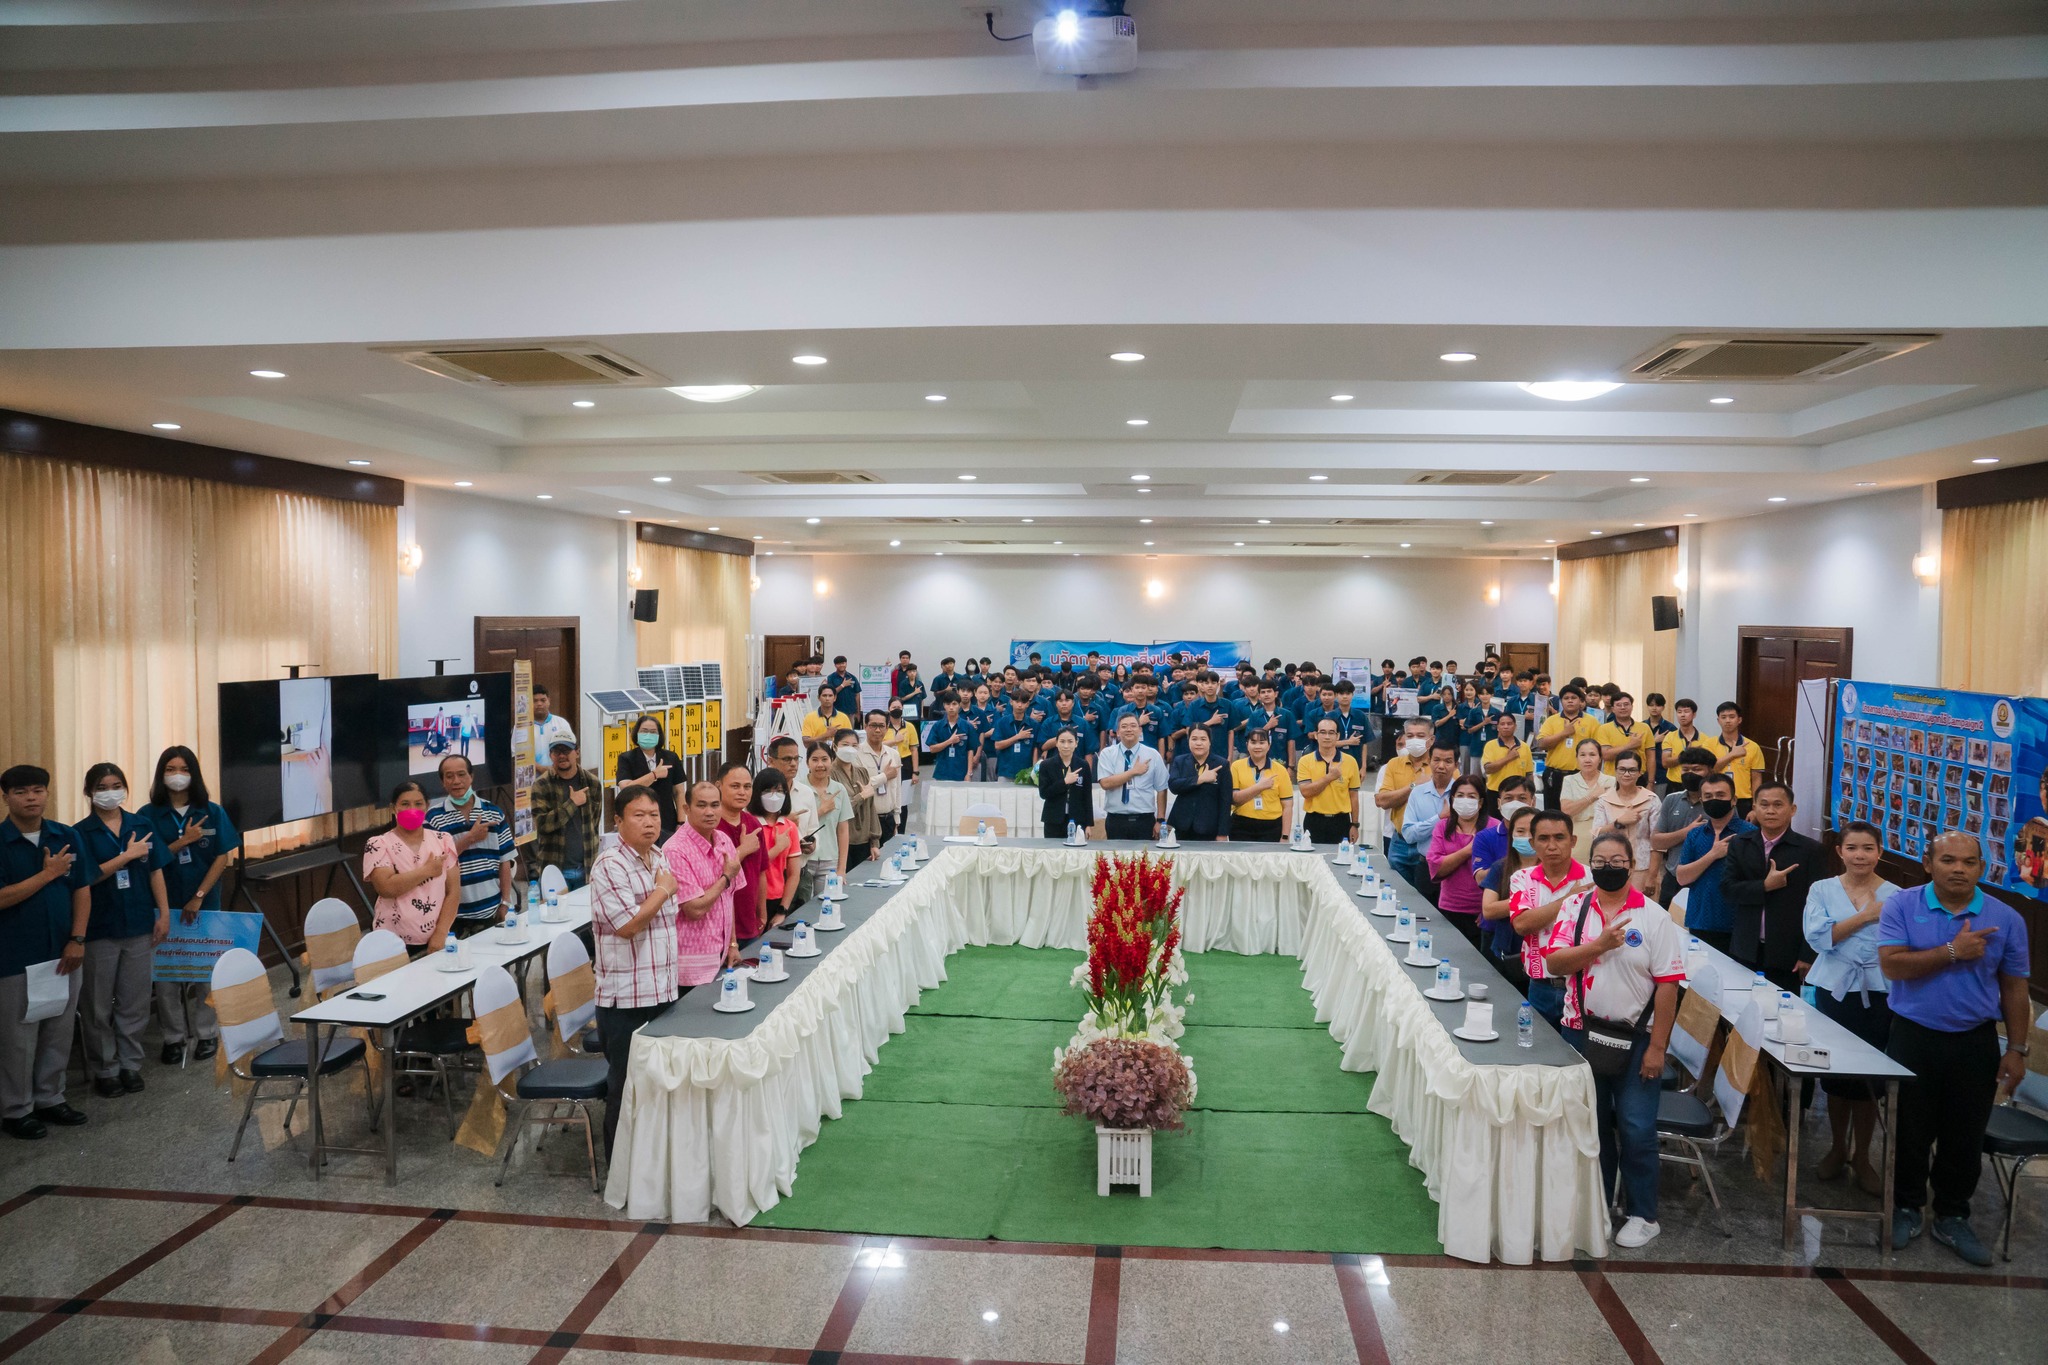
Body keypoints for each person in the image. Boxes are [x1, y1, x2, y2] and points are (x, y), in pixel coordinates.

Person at [1879, 832, 2032, 1266]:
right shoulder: (1902, 905)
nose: (1959, 869)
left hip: (1975, 1041)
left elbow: (2015, 989)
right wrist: (1951, 950)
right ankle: (1906, 1208)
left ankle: (1952, 1216)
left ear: (1982, 868)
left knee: (1964, 1135)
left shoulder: (2006, 918)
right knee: (1908, 1129)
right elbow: (1892, 965)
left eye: (1969, 862)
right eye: (1948, 860)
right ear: (1929, 864)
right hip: (1912, 1034)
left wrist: (2017, 1048)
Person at [1539, 829, 1684, 1249]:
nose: (1608, 868)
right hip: (1581, 1031)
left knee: (1637, 1127)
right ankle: (1598, 1204)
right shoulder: (1575, 907)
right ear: (1591, 864)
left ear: (1631, 864)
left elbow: (1668, 986)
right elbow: (1554, 961)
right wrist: (1598, 945)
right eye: (1600, 861)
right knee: (1593, 1124)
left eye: (1617, 862)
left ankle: (1644, 1214)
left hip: (1637, 1039)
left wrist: (1658, 1047)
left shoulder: (1653, 916)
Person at [1801, 821, 1896, 1196]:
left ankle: (1863, 1155)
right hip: (1833, 990)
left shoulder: (1897, 894)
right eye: (1852, 848)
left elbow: (1897, 944)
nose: (1860, 855)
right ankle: (1838, 1147)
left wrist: (1846, 926)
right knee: (1837, 1075)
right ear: (1839, 851)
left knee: (1870, 1079)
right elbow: (1819, 937)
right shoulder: (1821, 889)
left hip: (1880, 993)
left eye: (1868, 848)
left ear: (1879, 852)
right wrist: (1867, 916)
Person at [0, 766, 94, 1139]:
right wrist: (48, 874)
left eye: (38, 790)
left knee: (58, 1029)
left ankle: (51, 1098)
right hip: (15, 957)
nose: (32, 798)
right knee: (19, 1038)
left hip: (64, 952)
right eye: (21, 792)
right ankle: (16, 1108)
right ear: (6, 796)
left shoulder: (65, 835)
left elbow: (83, 890)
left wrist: (78, 939)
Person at [589, 785, 682, 1160]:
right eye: (638, 815)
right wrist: (661, 892)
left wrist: (660, 890)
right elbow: (627, 925)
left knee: (657, 1083)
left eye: (654, 815)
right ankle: (620, 1167)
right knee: (625, 1085)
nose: (649, 823)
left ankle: (653, 1161)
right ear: (618, 821)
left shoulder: (658, 856)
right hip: (625, 999)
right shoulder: (610, 865)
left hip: (661, 991)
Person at [73, 764, 168, 1098]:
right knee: (98, 1005)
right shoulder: (80, 833)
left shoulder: (141, 824)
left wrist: (164, 913)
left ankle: (130, 1064)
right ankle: (106, 1069)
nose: (110, 792)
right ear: (89, 793)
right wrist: (126, 856)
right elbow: (85, 877)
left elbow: (155, 871)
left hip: (140, 923)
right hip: (100, 928)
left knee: (135, 1001)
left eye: (116, 785)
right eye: (102, 786)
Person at [140, 746, 238, 1064]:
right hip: (162, 906)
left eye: (183, 769)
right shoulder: (147, 815)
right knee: (166, 975)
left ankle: (207, 1034)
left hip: (204, 904)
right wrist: (182, 841)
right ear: (161, 774)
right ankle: (173, 1038)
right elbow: (149, 861)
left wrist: (198, 897)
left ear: (193, 774)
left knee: (205, 972)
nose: (177, 775)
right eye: (170, 769)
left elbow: (222, 856)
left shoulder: (211, 811)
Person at [1722, 778, 1827, 989]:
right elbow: (1728, 890)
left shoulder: (1810, 851)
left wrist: (1808, 954)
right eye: (1764, 805)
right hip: (1745, 948)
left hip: (1787, 954)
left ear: (1793, 809)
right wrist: (1764, 886)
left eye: (1778, 805)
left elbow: (1820, 907)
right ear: (1754, 808)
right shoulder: (1740, 844)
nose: (1770, 811)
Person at [1504, 808, 1592, 1031]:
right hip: (1539, 985)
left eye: (1559, 837)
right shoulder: (1521, 878)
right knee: (1536, 1054)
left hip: (1581, 986)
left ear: (1572, 841)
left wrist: (1542, 913)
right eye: (1543, 838)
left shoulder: (1592, 878)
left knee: (1576, 1057)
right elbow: (1522, 925)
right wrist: (1569, 899)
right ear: (1532, 843)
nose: (1552, 846)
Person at [363, 781, 462, 954]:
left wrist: (440, 933)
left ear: (427, 806)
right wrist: (427, 871)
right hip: (391, 943)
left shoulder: (443, 840)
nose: (412, 809)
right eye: (405, 804)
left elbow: (453, 891)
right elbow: (386, 887)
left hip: (436, 940)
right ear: (393, 808)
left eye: (418, 804)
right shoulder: (379, 844)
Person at [665, 781, 744, 995]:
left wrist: (733, 944)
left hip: (721, 955)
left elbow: (730, 897)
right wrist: (726, 876)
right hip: (690, 965)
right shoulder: (675, 850)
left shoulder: (724, 840)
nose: (709, 812)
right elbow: (694, 910)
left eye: (715, 805)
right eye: (701, 805)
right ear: (686, 809)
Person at [426, 755, 515, 938]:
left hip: (491, 911)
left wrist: (505, 902)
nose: (456, 781)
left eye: (461, 774)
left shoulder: (494, 813)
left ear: (471, 777)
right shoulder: (432, 819)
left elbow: (505, 861)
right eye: (449, 776)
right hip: (453, 917)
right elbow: (434, 866)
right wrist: (469, 838)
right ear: (443, 782)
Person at [1672, 772, 1753, 955]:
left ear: (1734, 800)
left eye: (1720, 795)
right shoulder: (1696, 834)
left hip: (1737, 924)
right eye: (1708, 796)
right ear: (1701, 800)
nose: (1714, 800)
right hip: (1700, 921)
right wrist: (1712, 855)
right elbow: (1682, 878)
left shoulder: (1750, 833)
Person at [1426, 776, 1496, 947]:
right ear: (1452, 800)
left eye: (1471, 796)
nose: (1466, 801)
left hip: (1483, 912)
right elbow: (1436, 867)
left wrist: (1488, 910)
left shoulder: (1494, 828)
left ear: (1480, 803)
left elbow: (1503, 872)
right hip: (1450, 908)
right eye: (1460, 795)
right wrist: (1468, 850)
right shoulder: (1443, 827)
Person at [1477, 803, 1539, 991]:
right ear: (1511, 835)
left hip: (1540, 955)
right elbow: (1489, 910)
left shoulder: (1552, 871)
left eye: (1532, 831)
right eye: (1520, 831)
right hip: (1507, 952)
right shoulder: (1500, 868)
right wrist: (1533, 899)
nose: (1526, 837)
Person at [530, 739, 601, 891]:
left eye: (566, 751)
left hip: (587, 867)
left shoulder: (592, 782)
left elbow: (595, 822)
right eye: (557, 752)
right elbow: (542, 825)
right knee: (555, 914)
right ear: (550, 755)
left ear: (577, 752)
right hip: (554, 870)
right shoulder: (541, 785)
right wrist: (572, 803)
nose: (562, 756)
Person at [1649, 746, 1716, 903]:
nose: (1690, 774)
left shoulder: (1720, 802)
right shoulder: (1671, 800)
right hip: (1673, 878)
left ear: (1710, 771)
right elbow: (1657, 841)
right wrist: (1687, 832)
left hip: (1707, 880)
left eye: (1696, 769)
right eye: (1685, 769)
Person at [711, 762, 768, 940]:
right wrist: (742, 851)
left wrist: (762, 913)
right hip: (719, 928)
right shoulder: (710, 826)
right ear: (718, 786)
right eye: (735, 786)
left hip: (750, 922)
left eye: (747, 787)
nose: (742, 792)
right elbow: (711, 873)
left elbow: (761, 872)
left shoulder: (754, 824)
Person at [1396, 741, 1460, 898]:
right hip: (1426, 868)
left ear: (1456, 764)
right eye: (1436, 760)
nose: (1441, 766)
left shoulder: (1464, 794)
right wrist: (1439, 818)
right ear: (1429, 761)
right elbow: (1409, 835)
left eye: (1448, 761)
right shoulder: (1417, 793)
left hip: (1457, 870)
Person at [1595, 753, 1660, 892]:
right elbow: (1597, 834)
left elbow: (1658, 843)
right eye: (1622, 769)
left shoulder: (1651, 800)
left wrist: (1652, 876)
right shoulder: (1604, 800)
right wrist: (1618, 822)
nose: (1626, 774)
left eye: (1632, 770)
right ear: (1615, 771)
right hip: (1612, 866)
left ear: (1639, 773)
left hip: (1642, 867)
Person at [1098, 713, 1168, 841]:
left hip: (1144, 820)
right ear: (1118, 732)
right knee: (1116, 859)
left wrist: (1160, 820)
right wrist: (1133, 772)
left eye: (1133, 726)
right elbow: (1105, 783)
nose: (1129, 729)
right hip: (1116, 819)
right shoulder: (1107, 754)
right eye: (1124, 726)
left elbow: (1162, 789)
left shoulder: (1152, 754)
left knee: (1144, 860)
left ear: (1140, 730)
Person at [748, 767, 804, 927]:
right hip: (752, 899)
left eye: (779, 791)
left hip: (778, 899)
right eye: (768, 791)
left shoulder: (789, 827)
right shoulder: (750, 824)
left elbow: (794, 874)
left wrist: (782, 910)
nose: (774, 796)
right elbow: (753, 866)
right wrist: (778, 848)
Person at [616, 714, 684, 843]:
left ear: (659, 735)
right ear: (636, 733)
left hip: (667, 821)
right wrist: (654, 775)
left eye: (653, 732)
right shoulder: (626, 758)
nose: (648, 735)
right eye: (644, 731)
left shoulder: (671, 757)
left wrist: (681, 821)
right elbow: (626, 788)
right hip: (638, 821)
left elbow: (679, 792)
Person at [1298, 717, 1365, 848]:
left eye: (1331, 732)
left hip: (1341, 821)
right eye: (1322, 732)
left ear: (1338, 736)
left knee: (1341, 862)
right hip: (1314, 820)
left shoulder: (1350, 761)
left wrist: (1355, 824)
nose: (1327, 737)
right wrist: (1329, 777)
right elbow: (1306, 792)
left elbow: (1353, 796)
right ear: (1316, 735)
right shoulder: (1305, 761)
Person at [1374, 717, 1433, 863]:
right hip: (1399, 842)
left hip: (1430, 843)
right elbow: (1382, 801)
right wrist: (1414, 786)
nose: (1414, 740)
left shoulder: (1441, 765)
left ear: (1431, 740)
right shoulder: (1393, 764)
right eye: (1410, 736)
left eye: (1420, 736)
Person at [1535, 685, 1598, 810]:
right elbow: (1541, 743)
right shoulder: (1551, 721)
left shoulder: (1592, 722)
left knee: (1579, 813)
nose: (1570, 700)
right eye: (1566, 698)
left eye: (1574, 698)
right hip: (1555, 775)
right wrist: (1564, 733)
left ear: (1581, 701)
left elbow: (1597, 750)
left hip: (1581, 775)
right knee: (1553, 814)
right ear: (1561, 701)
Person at [1166, 726, 1232, 842]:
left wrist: (1223, 832)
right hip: (1181, 825)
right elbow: (1174, 786)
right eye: (1194, 739)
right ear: (1188, 741)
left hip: (1209, 826)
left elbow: (1225, 801)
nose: (1198, 743)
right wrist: (1199, 779)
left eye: (1203, 739)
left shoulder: (1222, 764)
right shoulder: (1179, 761)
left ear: (1210, 742)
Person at [829, 728, 882, 871]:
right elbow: (837, 811)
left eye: (854, 746)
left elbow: (871, 807)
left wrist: (874, 842)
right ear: (835, 747)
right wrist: (860, 797)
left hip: (864, 840)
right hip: (842, 841)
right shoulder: (830, 774)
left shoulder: (861, 772)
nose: (850, 750)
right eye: (845, 745)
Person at [799, 741, 850, 888]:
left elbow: (843, 831)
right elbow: (795, 825)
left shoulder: (839, 790)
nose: (820, 764)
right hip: (803, 861)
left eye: (824, 759)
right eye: (814, 760)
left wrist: (842, 868)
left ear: (832, 761)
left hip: (830, 862)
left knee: (827, 906)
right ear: (807, 763)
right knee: (803, 908)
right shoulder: (798, 789)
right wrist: (821, 811)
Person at [1228, 727, 1293, 842]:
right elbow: (1234, 798)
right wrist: (1260, 787)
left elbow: (1287, 805)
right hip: (1241, 825)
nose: (1257, 746)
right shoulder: (1236, 766)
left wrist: (1285, 836)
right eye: (1253, 742)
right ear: (1247, 745)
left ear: (1268, 745)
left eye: (1262, 742)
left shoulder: (1280, 770)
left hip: (1272, 826)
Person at [1704, 701, 1766, 814]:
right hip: (1716, 797)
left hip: (1743, 801)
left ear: (1739, 720)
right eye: (1723, 717)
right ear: (1718, 720)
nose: (1728, 721)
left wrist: (1756, 806)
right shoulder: (1709, 744)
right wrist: (1732, 754)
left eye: (1732, 717)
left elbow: (1756, 779)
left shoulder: (1752, 746)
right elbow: (1709, 771)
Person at [1559, 738, 1615, 860]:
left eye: (1592, 755)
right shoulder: (1569, 780)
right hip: (1577, 833)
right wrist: (1593, 796)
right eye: (1582, 755)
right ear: (1577, 758)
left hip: (1605, 833)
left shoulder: (1611, 781)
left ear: (1600, 758)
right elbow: (1566, 810)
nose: (1587, 759)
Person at [1038, 728, 1095, 838]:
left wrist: (1088, 824)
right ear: (1056, 743)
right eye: (1062, 741)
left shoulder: (1083, 765)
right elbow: (1044, 793)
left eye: (1070, 741)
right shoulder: (1046, 765)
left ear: (1076, 744)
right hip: (1053, 820)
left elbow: (1087, 796)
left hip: (1077, 819)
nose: (1066, 746)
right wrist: (1064, 782)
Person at [858, 711, 904, 843]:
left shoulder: (893, 754)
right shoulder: (857, 753)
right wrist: (884, 776)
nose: (877, 730)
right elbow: (861, 787)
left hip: (888, 819)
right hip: (867, 820)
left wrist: (897, 817)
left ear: (887, 727)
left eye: (881, 726)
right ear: (865, 726)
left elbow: (897, 789)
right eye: (873, 725)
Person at [921, 691, 977, 782]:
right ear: (944, 705)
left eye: (954, 704)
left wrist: (969, 773)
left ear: (959, 705)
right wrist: (949, 741)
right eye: (948, 704)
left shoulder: (967, 726)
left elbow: (970, 751)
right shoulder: (937, 726)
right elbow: (932, 749)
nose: (951, 707)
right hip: (942, 773)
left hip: (961, 773)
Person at [1594, 691, 1651, 778]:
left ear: (1632, 707)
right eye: (1619, 705)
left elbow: (1651, 757)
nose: (1623, 707)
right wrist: (1630, 746)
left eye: (1626, 704)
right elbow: (1606, 755)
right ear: (1613, 709)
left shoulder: (1644, 727)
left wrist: (1651, 782)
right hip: (1612, 778)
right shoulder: (1604, 728)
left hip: (1639, 777)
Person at [1480, 711, 1533, 792]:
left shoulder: (1525, 747)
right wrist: (1508, 758)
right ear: (1498, 727)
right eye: (1502, 724)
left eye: (1509, 724)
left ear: (1515, 726)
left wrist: (1531, 792)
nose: (1506, 727)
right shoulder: (1490, 745)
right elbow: (1488, 769)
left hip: (1518, 792)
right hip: (1495, 791)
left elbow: (1529, 773)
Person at [1641, 693, 1677, 791]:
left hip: (1662, 775)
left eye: (1658, 705)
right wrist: (1654, 740)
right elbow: (1635, 748)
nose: (1654, 708)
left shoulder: (1670, 728)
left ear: (1663, 707)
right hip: (1641, 775)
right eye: (1651, 705)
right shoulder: (1641, 726)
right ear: (1647, 706)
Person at [1456, 680, 1490, 778]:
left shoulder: (1482, 705)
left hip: (1479, 740)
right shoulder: (1461, 706)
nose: (1468, 692)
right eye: (1466, 690)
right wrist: (1473, 712)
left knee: (1480, 769)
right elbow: (1462, 724)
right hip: (1465, 740)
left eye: (1471, 689)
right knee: (1465, 769)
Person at [529, 684, 576, 756]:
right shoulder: (521, 726)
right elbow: (516, 756)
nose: (539, 704)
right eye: (535, 701)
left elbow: (570, 750)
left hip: (556, 767)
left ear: (549, 701)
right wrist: (541, 768)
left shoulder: (561, 723)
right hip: (531, 767)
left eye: (543, 700)